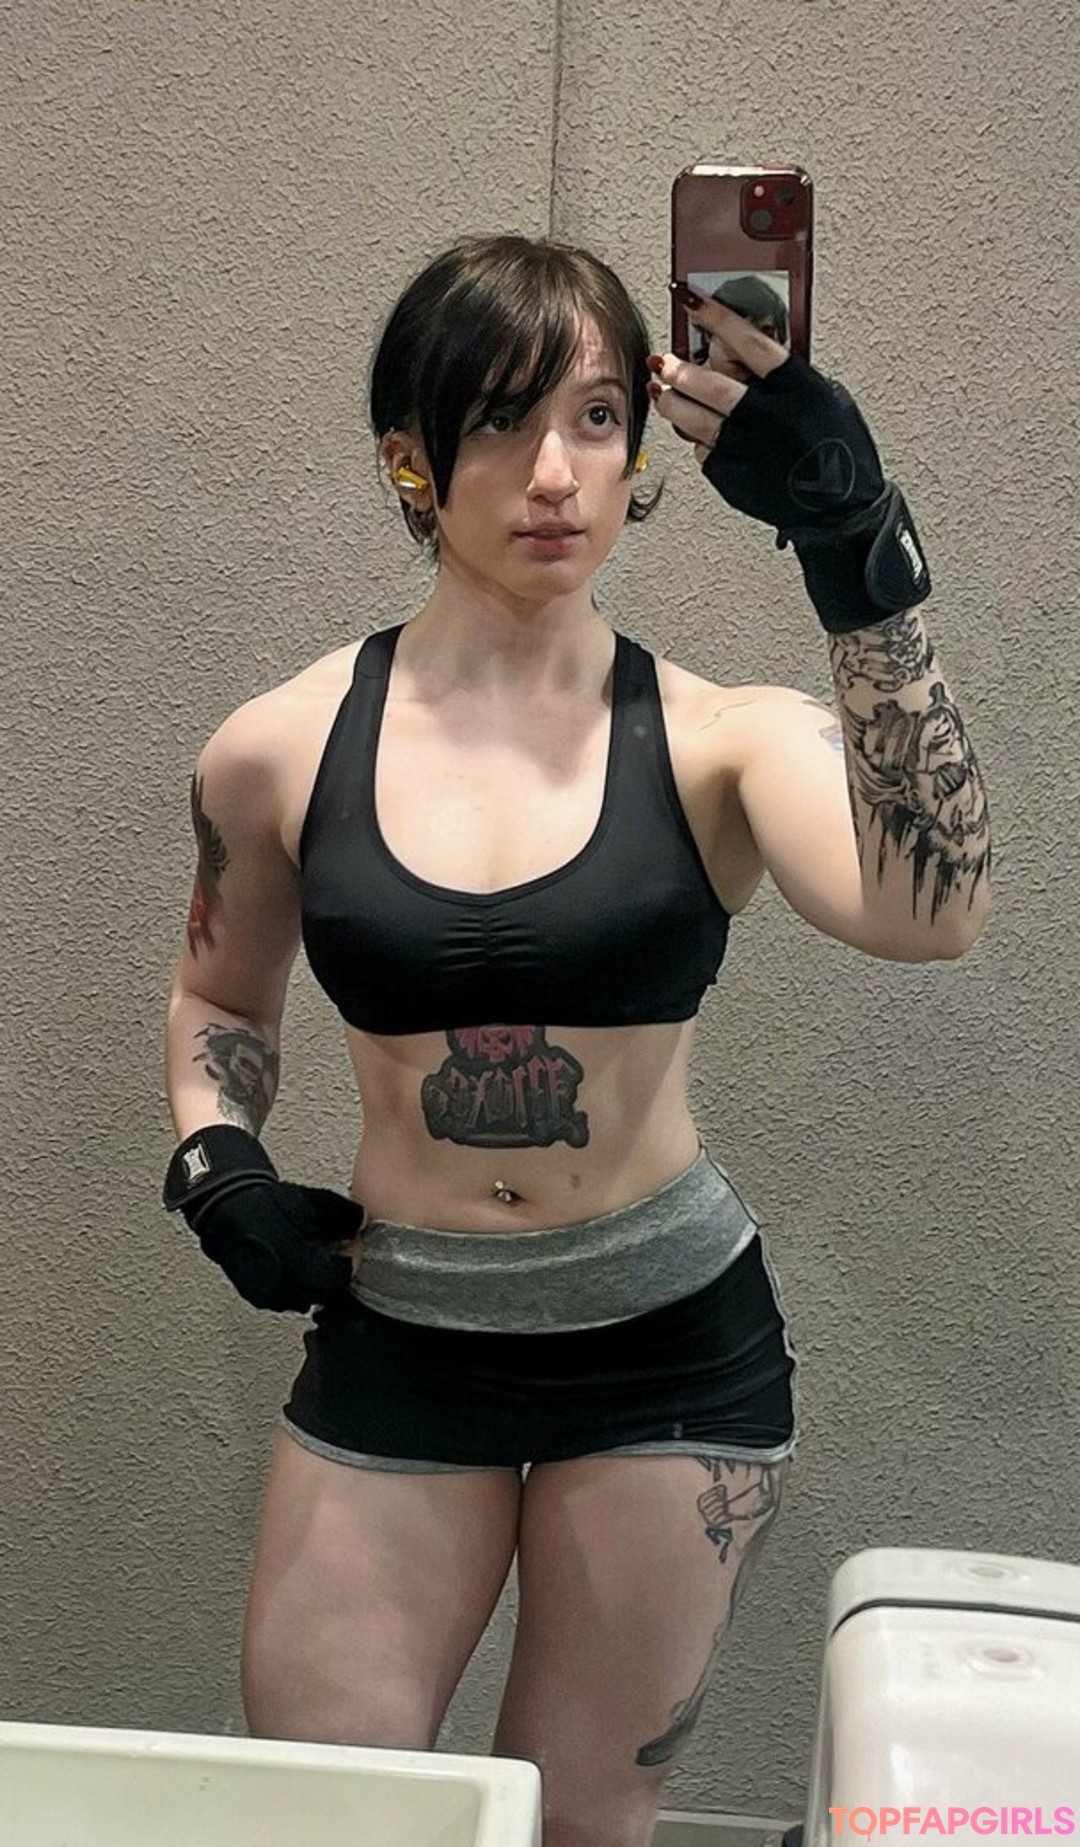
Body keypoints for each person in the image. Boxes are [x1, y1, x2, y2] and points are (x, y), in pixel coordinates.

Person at [163, 235, 990, 1847]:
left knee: (577, 1828)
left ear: (640, 452)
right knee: (328, 1816)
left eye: (599, 418)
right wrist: (216, 1162)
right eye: (499, 420)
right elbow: (221, 1003)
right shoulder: (275, 749)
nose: (555, 474)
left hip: (668, 1351)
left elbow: (932, 909)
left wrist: (859, 550)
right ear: (409, 456)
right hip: (404, 1336)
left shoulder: (723, 737)